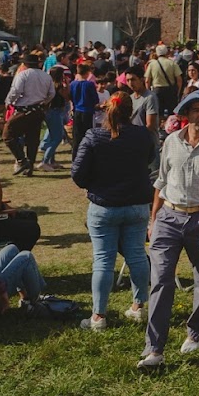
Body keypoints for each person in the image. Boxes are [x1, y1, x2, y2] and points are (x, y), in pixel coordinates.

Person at [138, 90, 199, 370]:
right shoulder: (171, 141)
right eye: (197, 110)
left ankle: (195, 330)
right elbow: (161, 181)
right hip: (168, 216)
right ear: (186, 114)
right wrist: (154, 218)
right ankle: (154, 348)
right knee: (160, 280)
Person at [71, 88, 155, 330]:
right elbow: (148, 160)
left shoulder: (94, 136)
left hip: (104, 205)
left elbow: (77, 173)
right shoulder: (143, 136)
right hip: (137, 204)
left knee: (103, 261)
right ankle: (139, 307)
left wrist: (94, 183)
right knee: (137, 254)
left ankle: (98, 316)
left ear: (107, 110)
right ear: (132, 111)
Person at [2, 53, 55, 177]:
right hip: (38, 110)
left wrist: (8, 101)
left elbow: (16, 90)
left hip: (24, 110)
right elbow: (51, 93)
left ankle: (22, 160)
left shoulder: (23, 75)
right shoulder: (46, 76)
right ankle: (29, 166)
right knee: (32, 139)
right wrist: (44, 102)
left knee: (7, 134)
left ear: (25, 64)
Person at [145, 45, 182, 119]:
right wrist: (178, 91)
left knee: (158, 112)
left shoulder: (152, 64)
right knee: (172, 113)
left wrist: (148, 92)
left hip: (157, 90)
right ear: (167, 52)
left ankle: (158, 127)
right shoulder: (172, 63)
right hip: (170, 91)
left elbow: (147, 81)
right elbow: (179, 79)